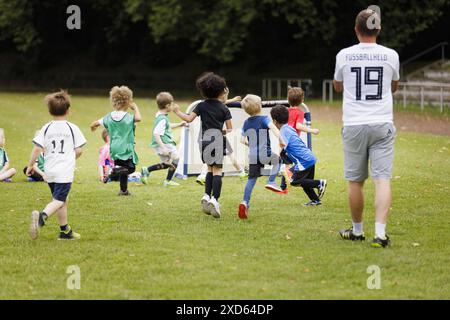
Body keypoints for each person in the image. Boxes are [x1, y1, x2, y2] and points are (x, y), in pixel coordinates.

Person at [333, 8, 399, 248]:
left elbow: (338, 87)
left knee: (355, 182)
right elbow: (393, 87)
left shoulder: (344, 54)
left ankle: (358, 231)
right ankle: (380, 234)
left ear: (356, 30)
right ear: (378, 29)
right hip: (382, 121)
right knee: (382, 180)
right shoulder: (391, 55)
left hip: (354, 123)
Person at [26, 90, 86, 240]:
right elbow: (79, 150)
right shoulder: (72, 128)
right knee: (59, 200)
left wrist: (30, 165)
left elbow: (36, 148)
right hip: (64, 171)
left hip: (50, 171)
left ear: (50, 111)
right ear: (68, 110)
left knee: (61, 200)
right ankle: (41, 217)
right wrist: (71, 158)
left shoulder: (46, 128)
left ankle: (65, 231)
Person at [173, 72, 232, 218]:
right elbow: (229, 129)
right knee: (218, 171)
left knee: (209, 169)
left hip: (203, 141)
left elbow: (188, 119)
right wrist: (222, 131)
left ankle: (206, 195)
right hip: (217, 139)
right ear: (220, 91)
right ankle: (215, 200)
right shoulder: (224, 109)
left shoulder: (201, 105)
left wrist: (177, 111)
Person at [238, 95, 285, 220]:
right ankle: (271, 181)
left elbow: (242, 140)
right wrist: (281, 139)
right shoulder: (264, 119)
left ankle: (244, 202)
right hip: (265, 153)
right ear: (260, 106)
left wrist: (252, 145)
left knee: (251, 179)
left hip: (253, 156)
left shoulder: (246, 123)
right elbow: (273, 128)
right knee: (278, 160)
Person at [270, 105, 327, 206]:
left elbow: (283, 144)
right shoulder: (289, 128)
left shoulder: (283, 132)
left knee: (294, 181)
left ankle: (319, 183)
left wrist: (277, 153)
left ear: (274, 121)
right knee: (305, 183)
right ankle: (315, 200)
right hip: (309, 158)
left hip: (303, 161)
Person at [90, 86, 142, 196]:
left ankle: (123, 191)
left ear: (114, 102)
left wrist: (93, 127)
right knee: (131, 168)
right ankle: (113, 173)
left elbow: (95, 123)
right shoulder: (128, 116)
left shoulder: (109, 116)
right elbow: (138, 118)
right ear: (128, 101)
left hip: (114, 148)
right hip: (125, 148)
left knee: (123, 169)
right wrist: (136, 108)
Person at [196, 96, 246, 185]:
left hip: (205, 137)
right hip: (217, 137)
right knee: (229, 154)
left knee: (210, 158)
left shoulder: (204, 105)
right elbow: (221, 102)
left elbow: (221, 102)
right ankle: (241, 171)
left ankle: (202, 176)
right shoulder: (219, 106)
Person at [141, 92, 186, 187]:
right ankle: (168, 181)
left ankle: (147, 170)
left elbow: (166, 126)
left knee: (166, 164)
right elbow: (156, 133)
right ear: (167, 106)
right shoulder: (162, 119)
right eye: (172, 104)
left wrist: (179, 124)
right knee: (176, 159)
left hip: (158, 144)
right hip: (165, 143)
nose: (173, 106)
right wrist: (164, 148)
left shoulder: (159, 115)